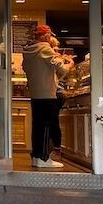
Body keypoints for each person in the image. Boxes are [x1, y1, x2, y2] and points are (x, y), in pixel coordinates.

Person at [22, 25, 73, 168]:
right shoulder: (45, 49)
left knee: (37, 127)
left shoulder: (28, 52)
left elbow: (25, 68)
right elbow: (62, 70)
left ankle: (36, 157)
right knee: (46, 127)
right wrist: (70, 64)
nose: (50, 38)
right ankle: (43, 158)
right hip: (48, 94)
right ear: (46, 36)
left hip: (35, 94)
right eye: (49, 35)